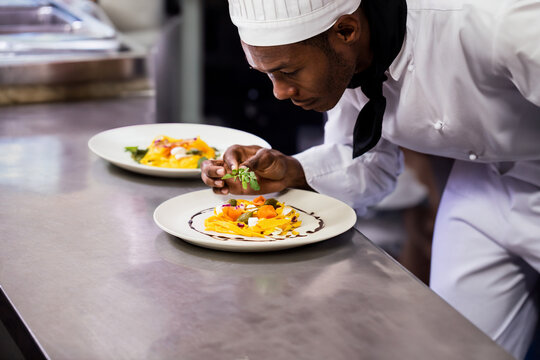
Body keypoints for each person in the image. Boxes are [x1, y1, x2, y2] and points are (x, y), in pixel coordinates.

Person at [200, 0, 540, 358]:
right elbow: (369, 163)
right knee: (452, 348)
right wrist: (290, 172)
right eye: (268, 75)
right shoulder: (349, 59)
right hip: (480, 187)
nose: (279, 92)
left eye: (289, 72)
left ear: (346, 31)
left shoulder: (496, 22)